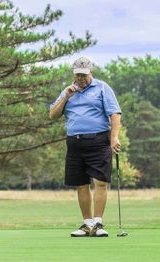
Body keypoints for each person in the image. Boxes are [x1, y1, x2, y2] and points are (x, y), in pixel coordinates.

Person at [48, 56, 123, 237]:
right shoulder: (68, 91)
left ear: (91, 73)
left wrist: (114, 138)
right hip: (75, 142)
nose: (80, 78)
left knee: (100, 182)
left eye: (84, 74)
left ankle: (98, 223)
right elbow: (53, 115)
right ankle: (87, 224)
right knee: (81, 185)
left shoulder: (102, 88)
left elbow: (115, 114)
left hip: (98, 140)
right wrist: (66, 96)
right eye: (77, 75)